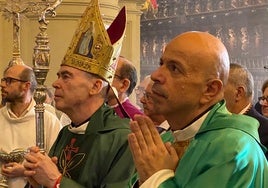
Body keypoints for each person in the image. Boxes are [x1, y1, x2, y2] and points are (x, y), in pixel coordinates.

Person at [128, 31, 268, 187]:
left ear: (210, 90)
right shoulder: (165, 141)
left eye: (174, 68)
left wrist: (158, 177)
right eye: (161, 64)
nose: (155, 75)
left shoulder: (234, 149)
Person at [23, 0, 135, 187]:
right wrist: (37, 182)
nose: (55, 83)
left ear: (95, 86)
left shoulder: (123, 137)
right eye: (59, 75)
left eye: (66, 76)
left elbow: (56, 181)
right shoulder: (66, 132)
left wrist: (55, 181)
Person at [0, 64, 62, 188]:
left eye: (9, 81)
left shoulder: (48, 120)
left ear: (26, 86)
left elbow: (55, 166)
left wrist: (24, 171)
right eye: (3, 80)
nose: (2, 85)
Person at [224, 63, 268, 158]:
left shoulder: (265, 129)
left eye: (222, 87)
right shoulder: (216, 121)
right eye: (263, 99)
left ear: (239, 93)